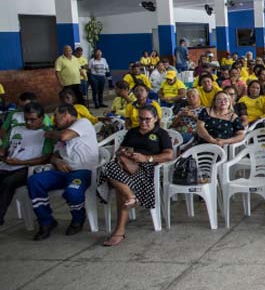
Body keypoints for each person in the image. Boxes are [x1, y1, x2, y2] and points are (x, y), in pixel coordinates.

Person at [98, 105, 174, 246]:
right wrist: (125, 153)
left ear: (155, 118)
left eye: (147, 119)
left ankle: (120, 230)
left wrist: (146, 158)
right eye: (141, 119)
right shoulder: (132, 132)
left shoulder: (161, 133)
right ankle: (130, 197)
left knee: (121, 186)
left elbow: (169, 155)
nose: (143, 122)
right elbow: (120, 150)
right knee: (108, 167)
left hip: (147, 169)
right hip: (127, 166)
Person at [28, 104, 98, 240]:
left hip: (83, 171)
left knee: (72, 192)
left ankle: (78, 218)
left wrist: (50, 133)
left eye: (56, 116)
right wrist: (57, 161)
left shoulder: (83, 123)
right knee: (34, 181)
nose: (54, 119)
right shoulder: (60, 131)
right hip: (62, 172)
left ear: (65, 114)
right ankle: (46, 221)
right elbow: (55, 154)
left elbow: (64, 137)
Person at [0, 102, 53, 226]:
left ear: (42, 118)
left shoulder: (47, 133)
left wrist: (21, 162)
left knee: (8, 182)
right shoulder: (16, 129)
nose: (28, 123)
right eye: (26, 119)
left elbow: (45, 158)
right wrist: (2, 154)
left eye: (32, 120)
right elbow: (4, 148)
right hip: (9, 164)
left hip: (29, 167)